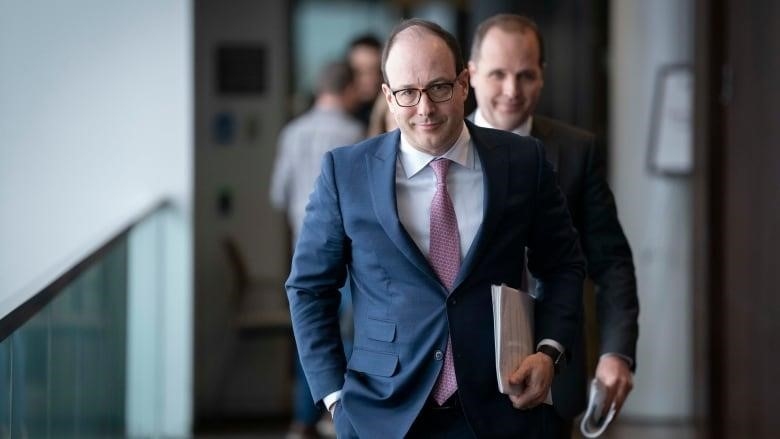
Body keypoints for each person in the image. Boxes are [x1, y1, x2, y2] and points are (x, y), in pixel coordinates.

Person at [286, 18, 585, 438]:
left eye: (439, 87)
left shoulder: (522, 162)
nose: (424, 108)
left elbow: (563, 265)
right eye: (408, 92)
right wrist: (335, 398)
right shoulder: (346, 172)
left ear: (464, 84)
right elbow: (308, 288)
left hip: (501, 406)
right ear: (388, 97)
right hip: (382, 412)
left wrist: (548, 351)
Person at [468, 13, 639, 437]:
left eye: (525, 75)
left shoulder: (576, 152)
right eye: (498, 75)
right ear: (470, 75)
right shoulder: (446, 150)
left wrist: (617, 352)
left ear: (542, 76)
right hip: (461, 373)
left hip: (551, 366)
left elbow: (611, 261)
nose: (512, 90)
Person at [269, 60, 363, 439]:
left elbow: (278, 195)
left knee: (311, 335)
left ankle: (304, 420)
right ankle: (343, 414)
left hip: (303, 254)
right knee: (351, 337)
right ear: (349, 89)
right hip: (348, 260)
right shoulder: (355, 131)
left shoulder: (292, 133)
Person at [346, 34, 384, 129]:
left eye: (374, 70)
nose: (367, 79)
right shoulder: (339, 113)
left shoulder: (392, 113)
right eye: (358, 72)